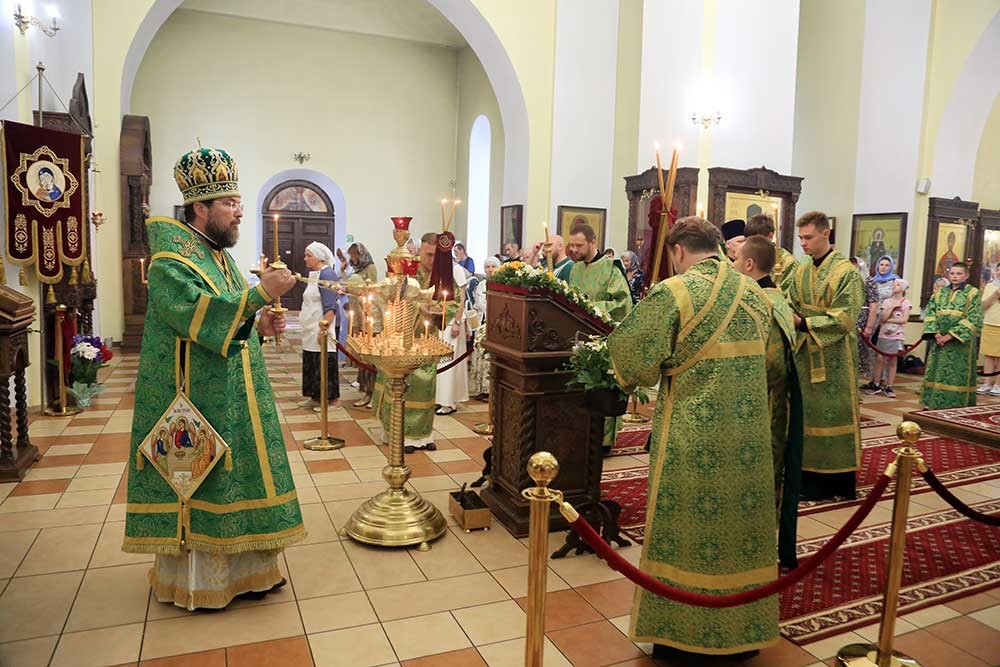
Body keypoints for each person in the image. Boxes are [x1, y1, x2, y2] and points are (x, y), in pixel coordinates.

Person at [124, 147, 304, 610]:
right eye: (230, 203)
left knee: (241, 475)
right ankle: (203, 583)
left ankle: (251, 572)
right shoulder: (171, 263)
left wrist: (258, 324)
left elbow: (229, 318)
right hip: (194, 398)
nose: (240, 210)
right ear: (200, 208)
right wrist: (263, 293)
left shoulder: (216, 256)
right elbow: (196, 315)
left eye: (240, 201)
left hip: (233, 390)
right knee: (204, 476)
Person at [608, 216, 777, 660]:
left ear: (679, 251)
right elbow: (776, 363)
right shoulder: (756, 294)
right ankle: (743, 631)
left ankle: (681, 634)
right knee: (740, 532)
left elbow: (632, 355)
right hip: (748, 441)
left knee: (688, 529)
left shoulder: (675, 291)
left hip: (692, 437)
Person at [733, 235, 804, 568]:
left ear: (749, 264)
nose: (733, 268)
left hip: (766, 407)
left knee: (764, 474)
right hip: (765, 404)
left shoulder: (765, 301)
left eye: (736, 262)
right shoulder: (774, 297)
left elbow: (772, 363)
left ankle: (756, 543)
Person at [785, 211, 863, 501]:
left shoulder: (846, 272)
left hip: (834, 358)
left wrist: (804, 323)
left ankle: (838, 483)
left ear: (826, 234)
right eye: (801, 238)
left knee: (834, 413)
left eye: (808, 237)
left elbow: (845, 317)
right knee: (807, 414)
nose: (803, 244)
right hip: (805, 353)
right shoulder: (802, 269)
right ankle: (808, 477)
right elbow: (790, 299)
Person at [372, 232, 450, 451]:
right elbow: (393, 299)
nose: (430, 259)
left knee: (425, 389)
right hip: (401, 338)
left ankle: (422, 436)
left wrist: (438, 312)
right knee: (400, 387)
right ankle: (399, 435)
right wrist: (418, 307)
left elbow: (452, 302)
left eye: (435, 255)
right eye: (427, 254)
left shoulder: (444, 275)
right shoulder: (407, 272)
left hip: (427, 339)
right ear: (418, 251)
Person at [921, 262, 983, 409]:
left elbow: (974, 318)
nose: (955, 276)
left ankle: (955, 405)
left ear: (966, 276)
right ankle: (933, 403)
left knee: (956, 374)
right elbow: (930, 313)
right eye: (952, 273)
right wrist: (936, 334)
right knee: (937, 371)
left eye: (959, 273)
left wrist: (950, 336)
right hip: (939, 341)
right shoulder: (940, 293)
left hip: (960, 344)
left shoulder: (972, 293)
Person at [299, 242, 341, 411]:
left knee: (324, 363)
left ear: (320, 257)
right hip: (310, 326)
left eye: (309, 255)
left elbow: (330, 305)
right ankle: (315, 397)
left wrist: (323, 328)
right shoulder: (314, 274)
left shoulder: (328, 274)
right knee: (312, 361)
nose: (305, 259)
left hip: (322, 325)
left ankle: (332, 399)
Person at [567, 224, 632, 323]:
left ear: (592, 242)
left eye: (579, 245)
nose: (574, 250)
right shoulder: (576, 268)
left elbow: (622, 304)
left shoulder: (611, 268)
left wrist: (589, 308)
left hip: (600, 330)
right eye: (572, 245)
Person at [435, 248, 470, 416]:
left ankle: (449, 402)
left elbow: (462, 297)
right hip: (440, 320)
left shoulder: (456, 269)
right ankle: (440, 399)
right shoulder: (438, 270)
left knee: (448, 362)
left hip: (452, 321)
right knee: (440, 363)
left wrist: (457, 321)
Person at [864, 278, 912, 398]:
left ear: (902, 288)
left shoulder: (906, 303)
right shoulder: (886, 302)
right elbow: (882, 319)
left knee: (892, 360)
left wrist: (889, 319)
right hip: (883, 334)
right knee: (880, 359)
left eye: (897, 285)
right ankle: (876, 383)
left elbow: (904, 319)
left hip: (896, 335)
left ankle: (889, 385)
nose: (893, 286)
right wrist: (892, 308)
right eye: (893, 285)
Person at [344, 243, 378, 407]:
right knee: (361, 358)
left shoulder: (370, 268)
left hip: (367, 315)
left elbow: (371, 291)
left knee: (369, 359)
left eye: (354, 255)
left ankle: (372, 394)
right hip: (356, 313)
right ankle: (365, 392)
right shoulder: (356, 269)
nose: (352, 258)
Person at [469, 257, 500, 400]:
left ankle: (490, 389)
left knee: (489, 357)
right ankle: (480, 388)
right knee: (479, 356)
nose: (491, 269)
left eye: (493, 266)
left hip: (496, 326)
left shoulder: (502, 284)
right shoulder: (481, 285)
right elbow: (477, 304)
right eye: (488, 266)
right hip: (481, 324)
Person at [744, 213, 797, 289]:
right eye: (749, 240)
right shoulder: (747, 257)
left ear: (770, 236)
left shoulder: (788, 263)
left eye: (757, 240)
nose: (753, 245)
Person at [852, 257, 880, 385]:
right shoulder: (847, 280)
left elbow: (874, 305)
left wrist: (869, 326)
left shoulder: (869, 281)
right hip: (848, 318)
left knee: (858, 354)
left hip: (862, 319)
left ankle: (855, 387)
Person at [979, 270, 1000, 395]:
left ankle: (998, 385)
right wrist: (995, 295)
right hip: (989, 323)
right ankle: (987, 383)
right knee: (988, 355)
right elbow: (983, 306)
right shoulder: (990, 286)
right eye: (998, 270)